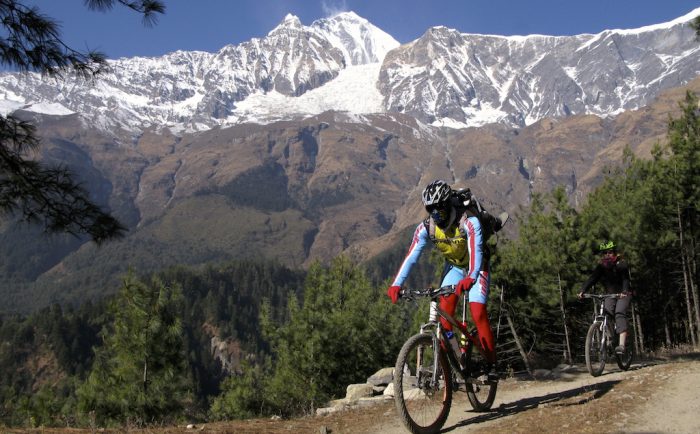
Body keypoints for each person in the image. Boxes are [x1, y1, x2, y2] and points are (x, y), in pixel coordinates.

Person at [387, 179, 508, 380]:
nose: (436, 213)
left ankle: (491, 364)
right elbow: (412, 256)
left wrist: (471, 277)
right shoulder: (427, 228)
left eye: (439, 208)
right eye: (430, 209)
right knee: (444, 319)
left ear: (448, 204)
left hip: (476, 267)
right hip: (454, 267)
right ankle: (449, 364)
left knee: (477, 312)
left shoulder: (469, 221)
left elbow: (476, 253)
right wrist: (396, 284)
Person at [577, 240, 632, 355]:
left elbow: (626, 279)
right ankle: (611, 338)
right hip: (610, 294)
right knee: (606, 313)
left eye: (610, 252)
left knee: (619, 312)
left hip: (623, 294)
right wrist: (583, 290)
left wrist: (625, 291)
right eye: (605, 253)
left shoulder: (621, 264)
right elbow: (592, 279)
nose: (607, 255)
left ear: (615, 253)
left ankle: (621, 345)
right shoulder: (601, 267)